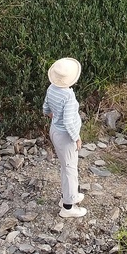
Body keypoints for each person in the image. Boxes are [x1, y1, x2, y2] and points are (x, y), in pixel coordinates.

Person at [42, 57, 87, 218]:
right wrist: (77, 138)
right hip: (65, 136)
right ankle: (68, 207)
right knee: (70, 170)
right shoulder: (67, 95)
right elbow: (68, 121)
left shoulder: (51, 88)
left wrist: (52, 115)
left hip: (55, 130)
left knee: (65, 166)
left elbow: (46, 108)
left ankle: (68, 196)